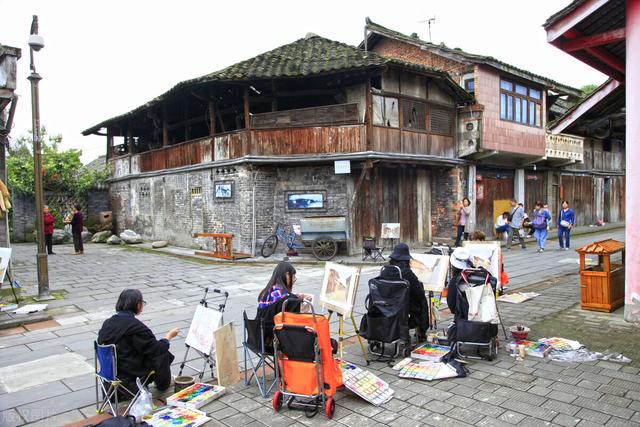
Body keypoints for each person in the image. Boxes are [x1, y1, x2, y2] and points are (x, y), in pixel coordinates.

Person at [98, 289, 180, 393]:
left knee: (150, 351)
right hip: (129, 374)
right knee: (163, 353)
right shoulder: (135, 327)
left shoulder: (107, 323)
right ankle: (163, 386)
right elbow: (156, 349)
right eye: (142, 303)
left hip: (111, 372)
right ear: (137, 305)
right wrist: (168, 337)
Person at [386, 243, 429, 339]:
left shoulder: (386, 270)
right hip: (403, 306)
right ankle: (422, 330)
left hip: (386, 304)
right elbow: (419, 293)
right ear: (406, 260)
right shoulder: (407, 273)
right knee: (422, 300)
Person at [256, 261, 303, 333]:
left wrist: (295, 297)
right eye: (293, 276)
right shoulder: (288, 299)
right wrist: (299, 302)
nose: (294, 280)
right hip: (273, 334)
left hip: (259, 333)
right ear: (287, 275)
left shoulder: (265, 292)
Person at [446, 247, 472, 342]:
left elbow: (451, 304)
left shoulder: (455, 281)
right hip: (483, 321)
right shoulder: (480, 276)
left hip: (462, 320)